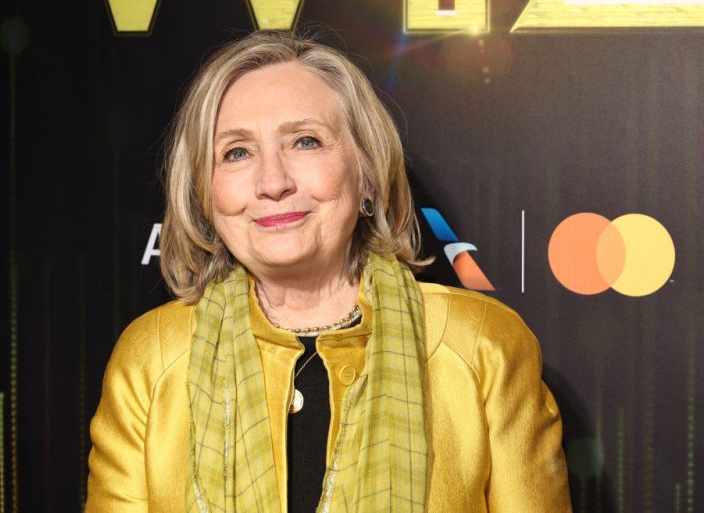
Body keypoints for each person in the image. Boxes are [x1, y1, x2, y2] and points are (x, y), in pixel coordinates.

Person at [85, 30, 571, 513]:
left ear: (366, 175)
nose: (272, 182)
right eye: (236, 152)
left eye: (305, 141)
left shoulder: (482, 345)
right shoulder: (152, 357)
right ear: (206, 193)